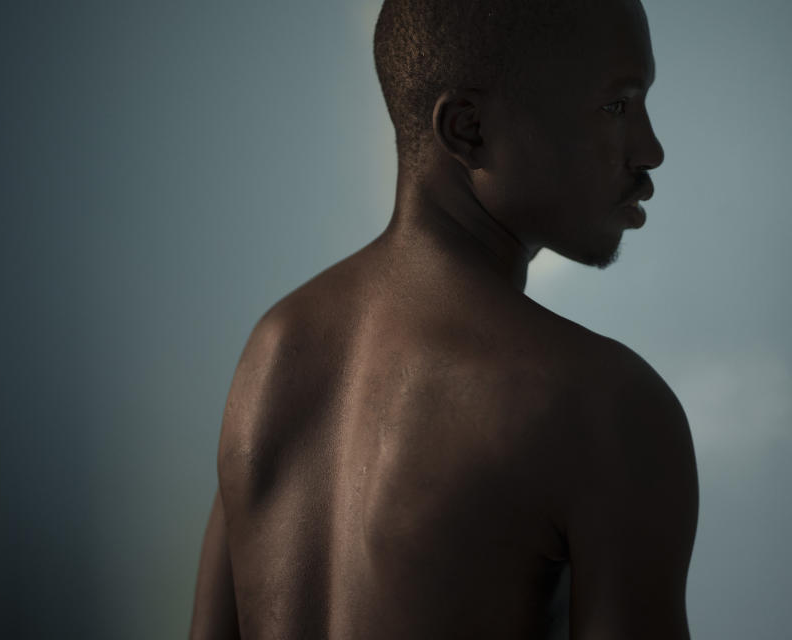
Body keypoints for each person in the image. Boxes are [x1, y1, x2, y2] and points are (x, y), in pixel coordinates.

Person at [190, 0, 699, 637]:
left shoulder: (273, 350)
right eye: (616, 106)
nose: (649, 152)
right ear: (467, 129)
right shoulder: (604, 408)